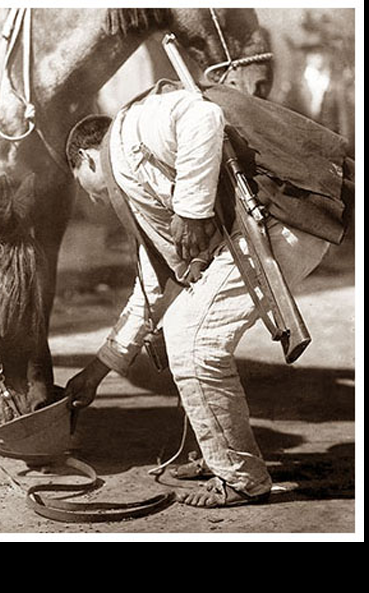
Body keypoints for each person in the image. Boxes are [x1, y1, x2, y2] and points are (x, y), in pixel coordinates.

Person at [64, 79, 351, 508]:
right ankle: (218, 454)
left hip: (279, 220)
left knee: (193, 339)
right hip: (268, 228)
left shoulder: (132, 127)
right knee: (186, 327)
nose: (93, 200)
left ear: (87, 157)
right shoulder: (134, 177)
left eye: (84, 185)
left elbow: (201, 116)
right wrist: (96, 373)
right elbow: (153, 288)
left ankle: (240, 479)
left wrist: (190, 210)